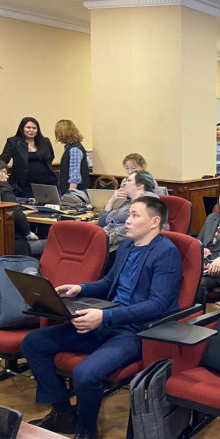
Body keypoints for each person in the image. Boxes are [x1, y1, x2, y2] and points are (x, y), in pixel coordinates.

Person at [22, 196, 182, 439]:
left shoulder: (166, 253)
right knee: (33, 342)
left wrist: (105, 316)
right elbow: (109, 283)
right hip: (108, 319)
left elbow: (157, 305)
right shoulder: (127, 246)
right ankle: (63, 413)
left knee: (85, 374)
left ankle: (86, 430)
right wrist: (80, 288)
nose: (127, 221)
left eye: (135, 215)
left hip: (135, 330)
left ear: (154, 222)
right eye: (129, 214)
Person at [99, 171, 161, 254]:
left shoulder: (149, 202)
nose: (124, 183)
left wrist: (110, 238)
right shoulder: (128, 202)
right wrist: (111, 201)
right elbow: (102, 222)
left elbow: (138, 227)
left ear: (140, 185)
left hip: (122, 246)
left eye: (129, 180)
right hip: (108, 239)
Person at [0, 117, 57, 198]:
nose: (31, 130)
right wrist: (3, 171)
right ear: (22, 128)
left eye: (34, 128)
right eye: (28, 127)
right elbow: (3, 159)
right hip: (25, 184)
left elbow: (51, 157)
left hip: (47, 182)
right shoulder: (14, 142)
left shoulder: (45, 141)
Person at [0, 160, 41, 255]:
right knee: (49, 244)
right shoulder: (3, 189)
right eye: (4, 172)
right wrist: (28, 233)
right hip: (11, 244)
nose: (7, 176)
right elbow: (15, 214)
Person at [55, 119, 90, 196]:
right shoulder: (72, 147)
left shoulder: (74, 149)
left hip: (75, 192)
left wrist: (70, 195)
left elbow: (75, 177)